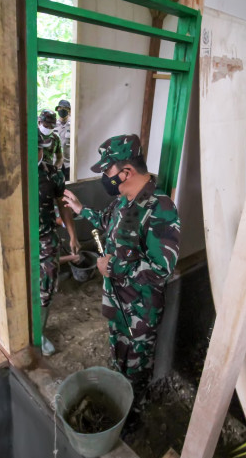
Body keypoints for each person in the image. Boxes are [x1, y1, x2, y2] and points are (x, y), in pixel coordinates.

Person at [62, 134, 180, 396]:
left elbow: (162, 269)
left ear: (126, 172)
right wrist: (81, 209)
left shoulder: (160, 208)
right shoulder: (123, 200)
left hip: (139, 310)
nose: (105, 176)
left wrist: (113, 267)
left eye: (107, 169)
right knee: (119, 355)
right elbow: (107, 221)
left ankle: (134, 414)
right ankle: (119, 394)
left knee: (137, 367)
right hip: (117, 301)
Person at [38, 121, 80, 356]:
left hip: (45, 238)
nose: (39, 152)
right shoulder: (12, 173)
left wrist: (72, 235)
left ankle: (39, 333)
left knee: (46, 288)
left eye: (41, 148)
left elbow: (63, 206)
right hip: (18, 243)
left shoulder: (52, 174)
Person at [55, 99, 72, 181]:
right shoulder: (52, 124)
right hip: (56, 163)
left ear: (69, 111)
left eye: (65, 108)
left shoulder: (74, 124)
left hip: (69, 164)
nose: (62, 110)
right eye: (60, 108)